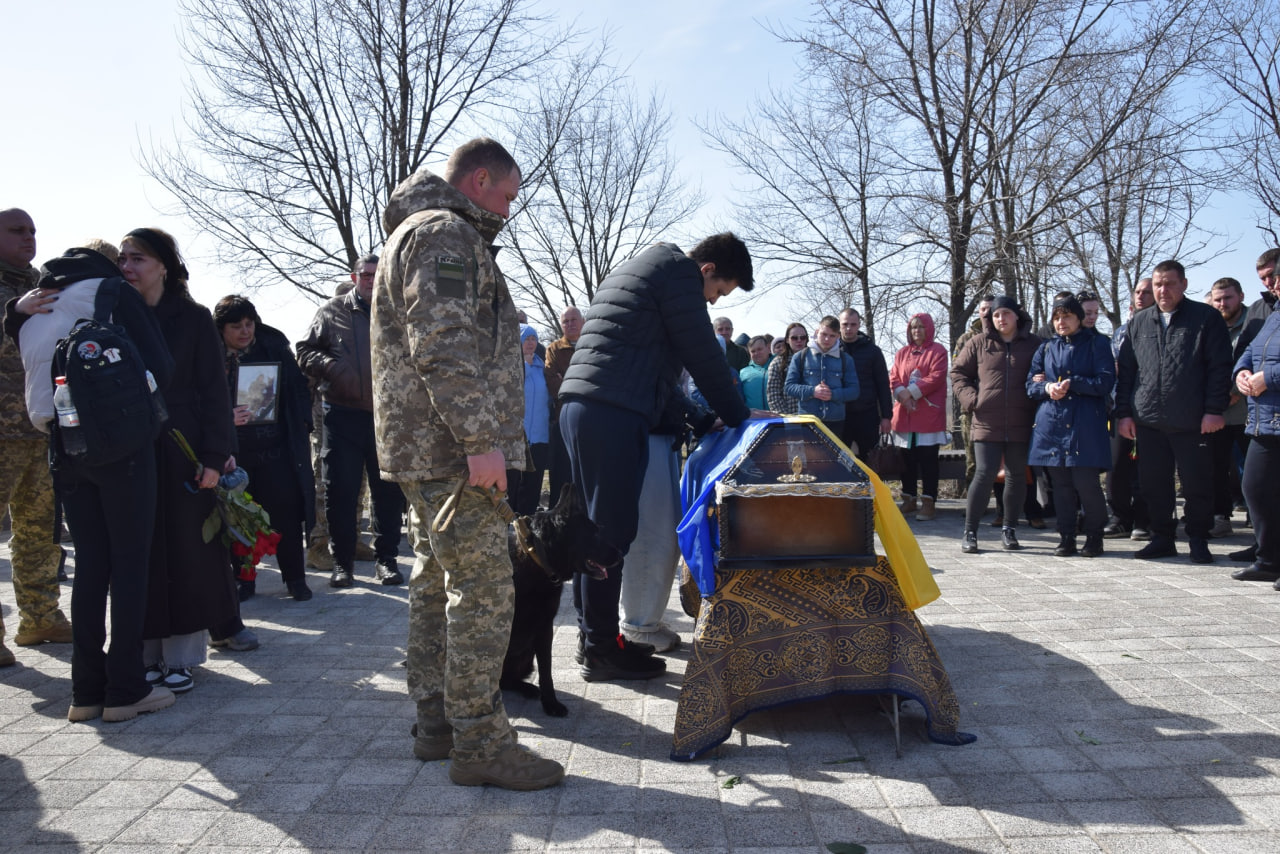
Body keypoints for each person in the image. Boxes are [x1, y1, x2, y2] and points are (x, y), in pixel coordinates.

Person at [370, 137, 564, 790]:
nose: (510, 210)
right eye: (508, 195)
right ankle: (480, 741)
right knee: (483, 590)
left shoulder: (417, 233)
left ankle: (437, 725)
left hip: (427, 452)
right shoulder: (446, 235)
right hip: (455, 452)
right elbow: (445, 342)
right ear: (480, 180)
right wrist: (482, 441)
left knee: (432, 584)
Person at [559, 231, 769, 682]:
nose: (712, 303)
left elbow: (655, 375)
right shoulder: (678, 274)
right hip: (612, 413)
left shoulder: (645, 269)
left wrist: (701, 417)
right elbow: (703, 358)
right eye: (717, 293)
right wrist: (738, 415)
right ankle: (601, 651)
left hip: (585, 405)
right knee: (610, 533)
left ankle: (594, 640)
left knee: (592, 530)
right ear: (707, 270)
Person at [6, 246, 176, 721]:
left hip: (62, 443)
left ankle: (86, 692)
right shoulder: (110, 293)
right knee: (129, 567)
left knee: (90, 567)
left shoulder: (33, 304)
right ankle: (126, 689)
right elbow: (160, 366)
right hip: (121, 448)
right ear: (103, 268)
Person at [117, 228, 248, 694]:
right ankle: (146, 653)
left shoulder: (193, 319)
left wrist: (215, 456)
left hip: (185, 451)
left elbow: (214, 391)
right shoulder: (115, 314)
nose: (128, 267)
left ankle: (182, 656)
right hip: (133, 449)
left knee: (189, 551)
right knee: (142, 550)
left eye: (138, 259)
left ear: (163, 266)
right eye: (123, 259)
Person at [297, 254, 405, 589]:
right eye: (366, 275)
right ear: (354, 276)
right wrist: (332, 366)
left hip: (385, 417)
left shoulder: (395, 311)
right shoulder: (331, 312)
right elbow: (304, 351)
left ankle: (386, 561)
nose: (372, 280)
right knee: (340, 492)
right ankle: (341, 564)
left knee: (387, 493)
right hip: (341, 415)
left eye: (377, 274)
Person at [1116, 260, 1233, 564]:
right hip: (1148, 420)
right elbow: (1127, 372)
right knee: (1154, 485)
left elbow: (1220, 368)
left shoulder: (1205, 318)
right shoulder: (1139, 322)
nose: (1163, 290)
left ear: (1183, 284)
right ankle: (1163, 538)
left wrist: (1213, 410)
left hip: (1193, 420)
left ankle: (1197, 539)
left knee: (1197, 485)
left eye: (1169, 283)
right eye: (1158, 284)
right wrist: (1124, 413)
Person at [0, 208, 71, 662]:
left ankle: (41, 617)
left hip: (38, 429)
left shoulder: (43, 286)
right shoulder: (19, 297)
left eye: (33, 231)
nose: (29, 238)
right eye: (17, 231)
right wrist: (14, 313)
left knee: (39, 531)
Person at [214, 296, 316, 602]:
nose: (245, 331)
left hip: (276, 450)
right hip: (234, 456)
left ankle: (295, 579)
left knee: (285, 516)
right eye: (237, 326)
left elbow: (298, 391)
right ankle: (244, 580)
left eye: (249, 324)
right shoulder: (207, 356)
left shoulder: (272, 348)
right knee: (239, 521)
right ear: (221, 329)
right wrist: (224, 418)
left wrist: (299, 423)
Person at [950, 295, 1041, 553]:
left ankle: (1010, 529)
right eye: (996, 315)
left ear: (1017, 316)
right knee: (984, 473)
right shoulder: (978, 343)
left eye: (1006, 314)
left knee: (1016, 476)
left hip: (1021, 420)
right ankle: (970, 531)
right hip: (986, 420)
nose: (1001, 319)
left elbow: (1046, 370)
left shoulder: (1034, 344)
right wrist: (972, 400)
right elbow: (957, 373)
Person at [1028, 295, 1116, 557]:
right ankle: (1066, 536)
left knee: (1086, 484)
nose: (1061, 322)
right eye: (1056, 317)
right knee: (1061, 486)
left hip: (1085, 424)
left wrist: (1072, 382)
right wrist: (1046, 387)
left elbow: (1105, 382)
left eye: (1066, 316)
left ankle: (1094, 536)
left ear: (1079, 318)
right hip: (1052, 424)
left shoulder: (1098, 344)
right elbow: (1030, 386)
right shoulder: (1045, 348)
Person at [1230, 304, 1280, 586]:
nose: (1274, 284)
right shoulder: (1274, 315)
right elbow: (1251, 350)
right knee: (1256, 488)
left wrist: (1269, 378)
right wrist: (1242, 372)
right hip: (1265, 422)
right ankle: (1269, 561)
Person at [1105, 277, 1153, 541]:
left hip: (1149, 410)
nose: (1141, 296)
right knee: (1116, 466)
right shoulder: (1122, 331)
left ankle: (1144, 520)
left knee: (1146, 468)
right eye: (1137, 292)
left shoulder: (1162, 328)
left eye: (1147, 292)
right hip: (1119, 408)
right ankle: (1120, 517)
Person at [890, 313, 949, 521]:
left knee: (928, 460)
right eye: (913, 327)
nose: (916, 331)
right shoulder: (902, 353)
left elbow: (936, 377)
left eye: (921, 327)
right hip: (905, 414)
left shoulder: (938, 351)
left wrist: (912, 392)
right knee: (906, 460)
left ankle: (929, 501)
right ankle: (908, 498)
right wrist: (903, 396)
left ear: (929, 329)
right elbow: (894, 377)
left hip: (927, 415)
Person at [1204, 277, 1249, 540]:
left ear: (1240, 296)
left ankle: (1258, 520)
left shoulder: (1254, 325)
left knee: (1252, 471)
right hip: (1215, 413)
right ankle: (1221, 517)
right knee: (1215, 468)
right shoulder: (1208, 325)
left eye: (1227, 298)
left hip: (1245, 412)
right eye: (1218, 299)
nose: (1222, 303)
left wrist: (1232, 392)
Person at [506, 323, 551, 517]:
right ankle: (509, 524)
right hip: (517, 436)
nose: (531, 343)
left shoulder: (544, 368)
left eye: (534, 339)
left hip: (540, 436)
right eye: (527, 339)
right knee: (513, 485)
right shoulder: (511, 368)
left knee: (533, 486)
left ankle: (529, 526)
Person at [785, 315, 860, 430]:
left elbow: (854, 391)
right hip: (807, 421)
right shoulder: (800, 357)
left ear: (838, 337)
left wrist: (833, 394)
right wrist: (812, 391)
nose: (827, 339)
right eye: (824, 334)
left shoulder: (846, 359)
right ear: (817, 332)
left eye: (832, 336)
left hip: (836, 422)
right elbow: (789, 387)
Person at [838, 308, 893, 461]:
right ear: (839, 325)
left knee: (870, 463)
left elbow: (883, 385)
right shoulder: (832, 350)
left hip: (867, 415)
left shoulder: (873, 351)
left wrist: (886, 416)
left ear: (859, 325)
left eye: (853, 324)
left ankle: (871, 487)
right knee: (840, 463)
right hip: (839, 415)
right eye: (845, 324)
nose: (849, 328)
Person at [952, 294, 995, 490]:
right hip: (972, 409)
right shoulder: (966, 339)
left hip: (1000, 409)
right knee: (973, 461)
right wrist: (972, 399)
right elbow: (957, 373)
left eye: (991, 309)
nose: (987, 313)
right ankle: (974, 504)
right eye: (983, 309)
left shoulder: (1007, 336)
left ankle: (1004, 506)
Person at [543, 305, 582, 508]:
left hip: (590, 422)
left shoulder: (592, 345)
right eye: (565, 321)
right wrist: (581, 385)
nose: (570, 324)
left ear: (582, 321)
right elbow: (552, 383)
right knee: (562, 475)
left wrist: (566, 379)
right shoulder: (554, 349)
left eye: (573, 319)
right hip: (563, 419)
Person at [766, 322, 809, 414]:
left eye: (803, 337)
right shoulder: (777, 363)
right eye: (794, 338)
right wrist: (786, 417)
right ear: (787, 340)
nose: (799, 340)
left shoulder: (816, 360)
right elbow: (773, 395)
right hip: (789, 418)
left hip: (814, 416)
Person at [739, 335, 771, 410]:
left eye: (759, 349)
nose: (756, 353)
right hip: (753, 419)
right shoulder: (743, 372)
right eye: (753, 351)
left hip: (777, 417)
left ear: (768, 349)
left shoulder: (779, 368)